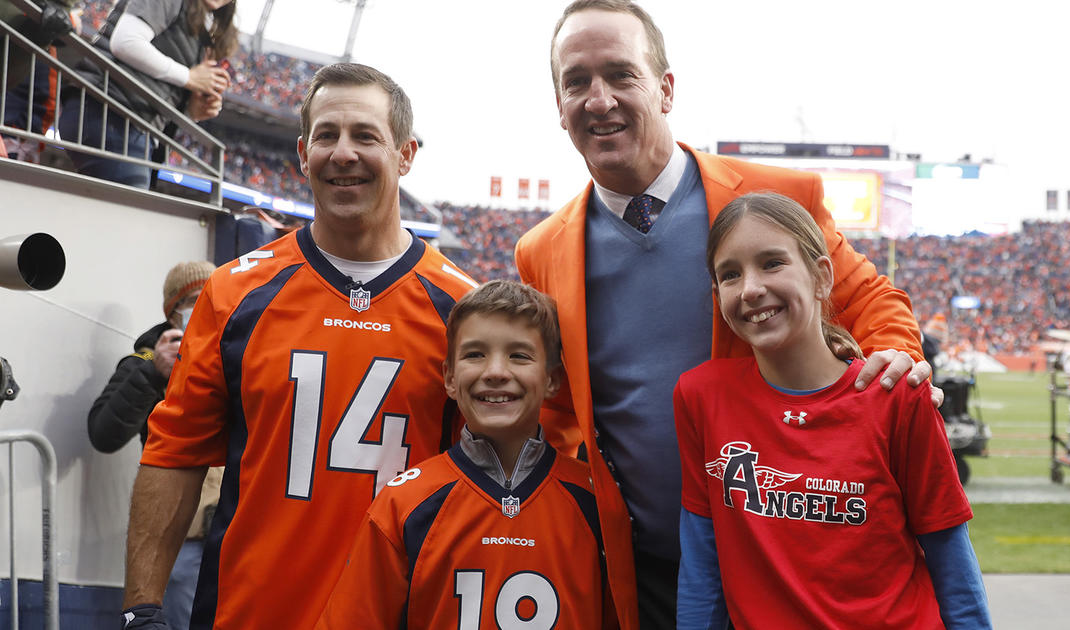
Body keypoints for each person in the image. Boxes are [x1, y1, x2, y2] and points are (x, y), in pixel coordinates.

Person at [515, 1, 932, 626]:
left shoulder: (775, 197)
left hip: (787, 560)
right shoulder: (542, 251)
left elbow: (871, 299)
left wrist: (897, 356)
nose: (598, 99)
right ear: (558, 106)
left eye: (620, 74)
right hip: (649, 573)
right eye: (576, 81)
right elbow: (557, 412)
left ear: (665, 88)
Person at [118, 62, 477, 630]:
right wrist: (141, 607)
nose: (343, 153)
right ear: (303, 154)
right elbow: (175, 452)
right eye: (326, 136)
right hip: (251, 613)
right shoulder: (236, 292)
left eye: (365, 135)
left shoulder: (464, 311)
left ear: (406, 155)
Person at [674, 192, 990, 629]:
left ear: (822, 276)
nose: (750, 288)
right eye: (730, 274)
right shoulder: (701, 397)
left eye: (772, 263)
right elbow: (701, 565)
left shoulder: (896, 396)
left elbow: (952, 561)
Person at [319, 280, 616, 629]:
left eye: (519, 355)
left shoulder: (594, 502)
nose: (495, 372)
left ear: (552, 379)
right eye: (475, 354)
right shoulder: (406, 503)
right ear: (448, 376)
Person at [88, 260, 222, 630]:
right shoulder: (147, 360)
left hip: (233, 529)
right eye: (195, 298)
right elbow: (103, 431)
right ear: (173, 310)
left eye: (213, 294)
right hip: (184, 533)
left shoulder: (235, 348)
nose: (206, 304)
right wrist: (151, 374)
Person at [57, 0, 235, 188]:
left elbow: (161, 90)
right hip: (109, 111)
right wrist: (189, 77)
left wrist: (191, 111)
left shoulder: (201, 26)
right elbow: (126, 41)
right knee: (128, 211)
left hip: (125, 121)